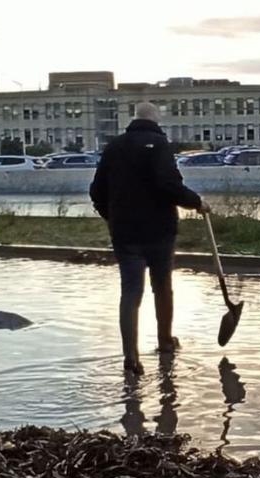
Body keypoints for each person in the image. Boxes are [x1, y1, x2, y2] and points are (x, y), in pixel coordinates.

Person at [90, 102, 209, 374]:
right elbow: (168, 185)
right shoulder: (160, 145)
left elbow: (97, 190)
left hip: (125, 233)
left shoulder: (114, 147)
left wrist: (112, 218)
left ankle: (130, 357)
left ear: (134, 119)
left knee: (131, 292)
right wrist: (197, 202)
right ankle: (165, 341)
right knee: (162, 286)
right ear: (157, 121)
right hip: (159, 231)